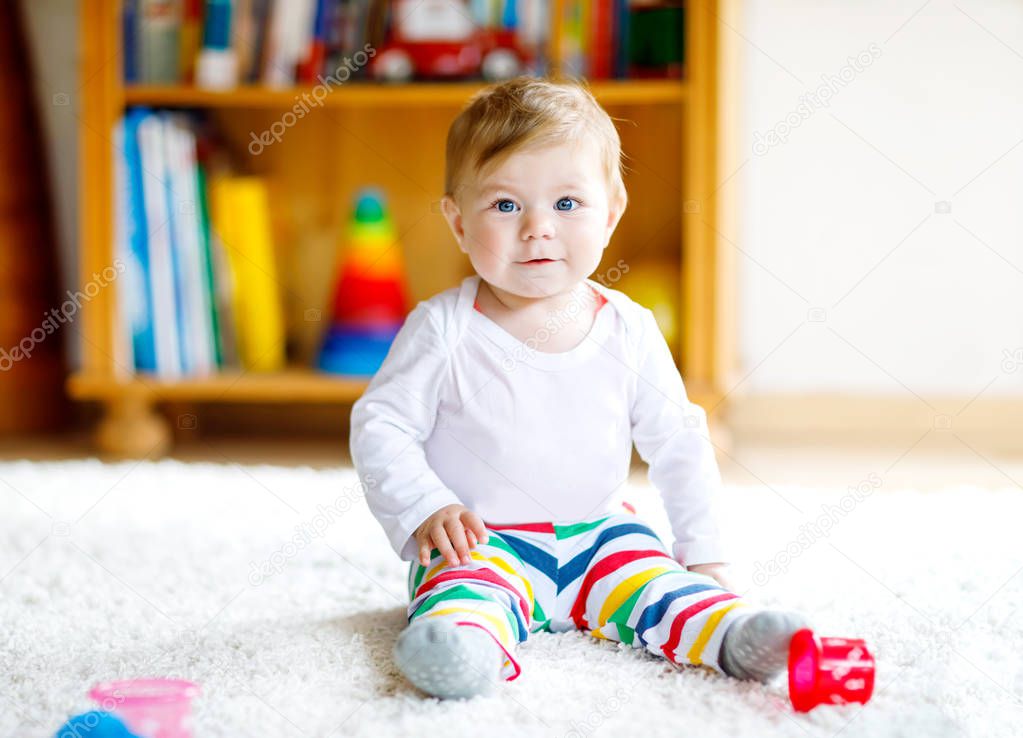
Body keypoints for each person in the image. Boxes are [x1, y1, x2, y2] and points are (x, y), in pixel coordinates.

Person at [349, 76, 809, 699]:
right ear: (458, 222)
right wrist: (425, 505)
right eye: (506, 206)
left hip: (600, 533)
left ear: (611, 212)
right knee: (463, 592)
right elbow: (382, 425)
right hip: (486, 540)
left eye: (567, 204)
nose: (538, 228)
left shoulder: (628, 329)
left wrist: (705, 556)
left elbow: (678, 443)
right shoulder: (443, 329)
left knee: (660, 584)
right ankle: (464, 651)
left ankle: (732, 633)